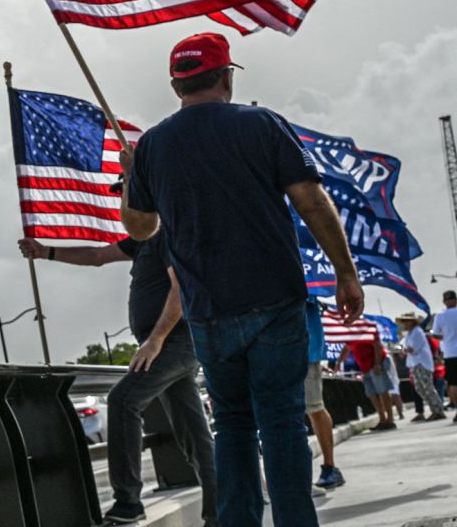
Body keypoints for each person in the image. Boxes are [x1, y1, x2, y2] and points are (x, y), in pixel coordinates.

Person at [119, 32, 364, 527]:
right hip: (275, 301)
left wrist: (132, 177)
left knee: (231, 424)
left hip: (208, 312)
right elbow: (311, 201)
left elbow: (141, 228)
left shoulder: (153, 146)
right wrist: (346, 273)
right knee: (280, 421)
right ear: (227, 77)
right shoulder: (262, 124)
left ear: (176, 86)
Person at [19, 224, 218, 526]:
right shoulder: (142, 241)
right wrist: (46, 252)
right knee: (194, 435)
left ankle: (128, 502)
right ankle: (221, 512)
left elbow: (181, 288)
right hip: (172, 345)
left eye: (124, 187)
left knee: (123, 399)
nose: (122, 196)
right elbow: (97, 254)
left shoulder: (167, 235)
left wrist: (155, 340)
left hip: (174, 342)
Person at [302, 301, 344, 490]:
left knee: (314, 407)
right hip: (271, 350)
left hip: (306, 350)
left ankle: (329, 466)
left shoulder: (308, 275)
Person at [335, 335, 395, 430]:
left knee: (383, 391)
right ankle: (382, 419)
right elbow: (346, 348)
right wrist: (339, 362)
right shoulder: (349, 336)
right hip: (364, 367)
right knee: (371, 393)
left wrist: (377, 363)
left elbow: (377, 345)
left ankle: (390, 420)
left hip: (375, 364)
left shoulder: (367, 329)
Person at [398, 312, 446, 421]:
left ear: (412, 322)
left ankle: (438, 410)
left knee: (428, 388)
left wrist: (404, 351)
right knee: (420, 389)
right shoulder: (409, 334)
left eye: (407, 321)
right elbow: (403, 346)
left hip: (422, 364)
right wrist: (401, 349)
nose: (405, 323)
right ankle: (434, 409)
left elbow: (413, 349)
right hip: (414, 364)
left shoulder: (418, 332)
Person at [432, 290, 457, 418]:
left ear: (444, 301)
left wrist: (445, 336)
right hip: (451, 352)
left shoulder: (440, 316)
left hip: (450, 353)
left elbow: (436, 335)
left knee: (453, 383)